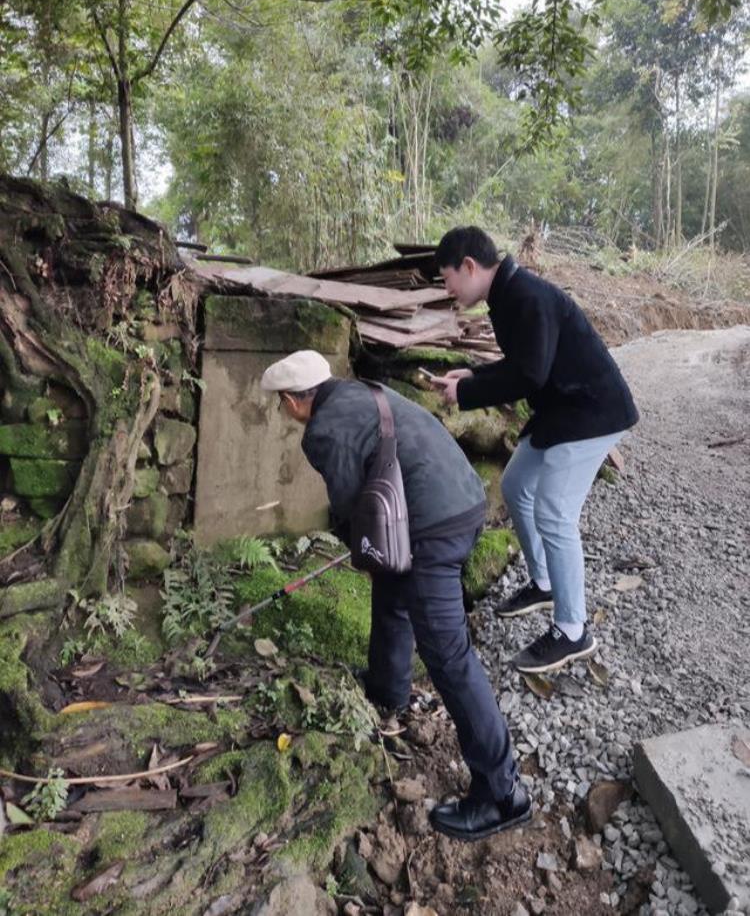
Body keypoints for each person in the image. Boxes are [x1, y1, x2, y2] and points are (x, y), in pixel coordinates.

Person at [260, 349, 531, 842]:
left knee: (449, 657)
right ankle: (388, 688)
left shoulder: (322, 431)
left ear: (292, 401)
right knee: (392, 586)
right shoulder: (363, 391)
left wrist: (357, 547)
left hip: (433, 527)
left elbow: (349, 508)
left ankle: (502, 794)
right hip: (462, 499)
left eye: (281, 404)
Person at [430, 226, 638, 674]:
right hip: (563, 406)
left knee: (554, 512)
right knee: (516, 483)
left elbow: (530, 375)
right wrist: (470, 377)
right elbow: (524, 363)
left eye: (447, 279)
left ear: (469, 266)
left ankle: (573, 630)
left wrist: (466, 396)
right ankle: (543, 582)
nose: (448, 290)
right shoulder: (507, 295)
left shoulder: (525, 296)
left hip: (592, 411)